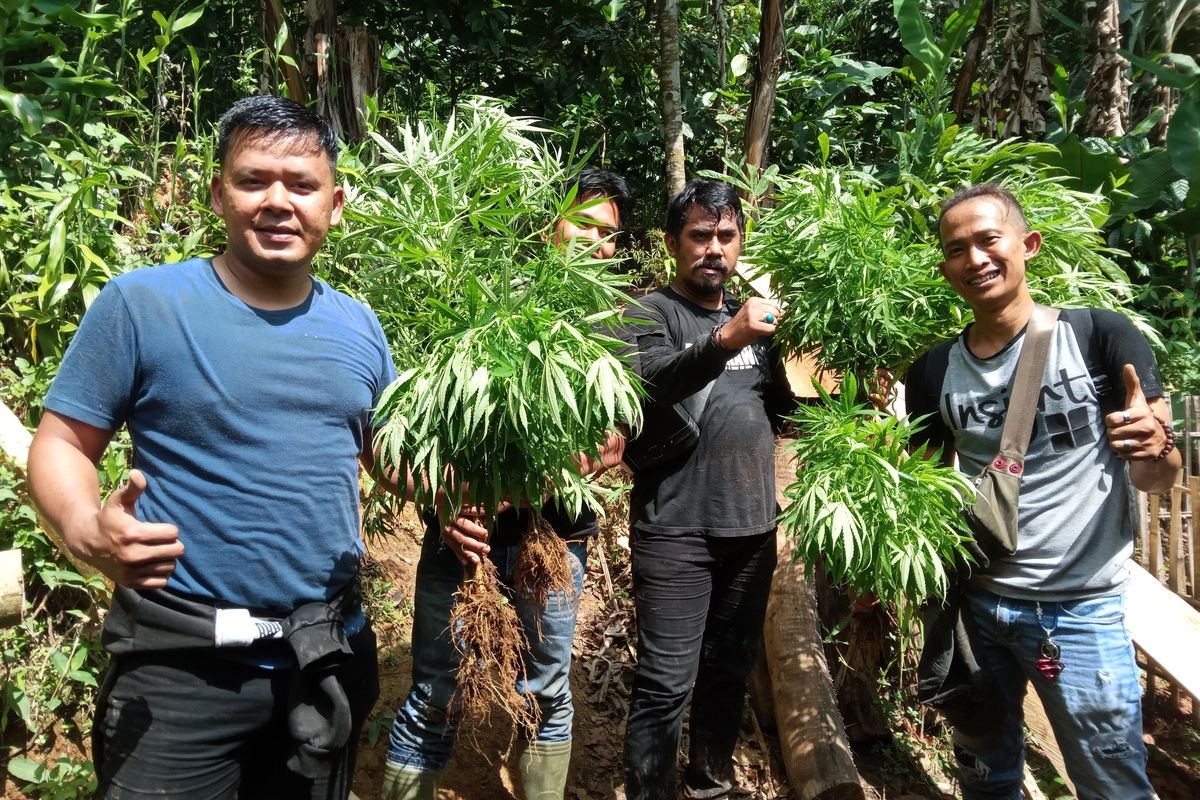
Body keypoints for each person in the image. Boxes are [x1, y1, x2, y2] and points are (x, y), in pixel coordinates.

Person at [27, 95, 396, 799]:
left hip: (325, 657)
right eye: (254, 180)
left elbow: (395, 461)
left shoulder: (359, 326)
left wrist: (497, 481)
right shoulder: (143, 305)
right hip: (180, 667)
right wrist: (83, 530)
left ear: (336, 204)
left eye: (302, 185)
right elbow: (61, 444)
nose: (278, 201)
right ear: (218, 193)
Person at [905, 183, 1181, 799]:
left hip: (1080, 615)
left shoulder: (1101, 337)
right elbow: (925, 496)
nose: (975, 258)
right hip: (976, 608)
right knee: (985, 777)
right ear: (946, 268)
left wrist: (1156, 443)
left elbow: (1155, 477)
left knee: (1111, 786)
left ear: (1027, 245)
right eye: (956, 249)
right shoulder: (930, 371)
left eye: (988, 240)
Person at [382, 169, 633, 800]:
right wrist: (449, 500)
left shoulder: (615, 322)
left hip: (556, 537)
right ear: (554, 219)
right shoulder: (490, 297)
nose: (597, 244)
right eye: (585, 223)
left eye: (610, 235)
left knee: (547, 686)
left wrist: (525, 484)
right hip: (462, 535)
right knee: (436, 688)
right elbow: (410, 424)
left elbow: (613, 439)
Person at [620, 179, 795, 800]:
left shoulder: (758, 322)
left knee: (727, 672)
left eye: (726, 236)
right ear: (673, 244)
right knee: (667, 682)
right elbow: (652, 383)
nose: (714, 249)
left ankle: (709, 785)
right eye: (700, 235)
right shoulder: (648, 313)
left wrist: (853, 390)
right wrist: (728, 339)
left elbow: (785, 413)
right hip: (675, 530)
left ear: (740, 242)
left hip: (752, 530)